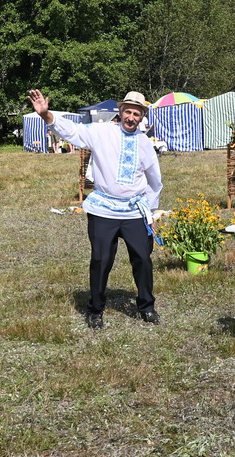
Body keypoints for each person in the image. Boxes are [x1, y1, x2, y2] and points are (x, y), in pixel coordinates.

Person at [29, 89, 162, 330]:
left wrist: (150, 212)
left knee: (143, 259)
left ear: (142, 117)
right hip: (104, 210)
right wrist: (46, 115)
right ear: (120, 112)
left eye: (137, 114)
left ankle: (146, 307)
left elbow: (154, 181)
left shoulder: (145, 143)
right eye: (128, 112)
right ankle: (95, 309)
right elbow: (74, 131)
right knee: (101, 259)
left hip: (134, 211)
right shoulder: (102, 132)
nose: (131, 117)